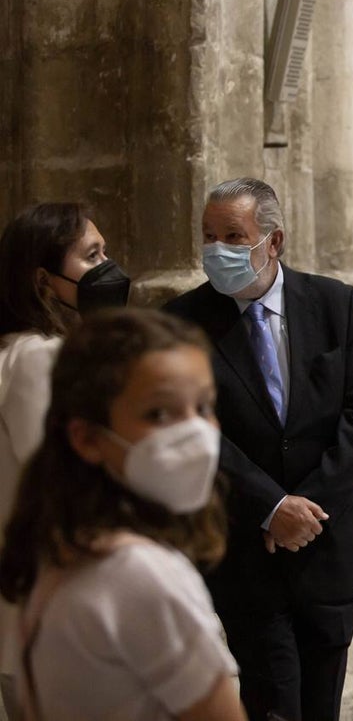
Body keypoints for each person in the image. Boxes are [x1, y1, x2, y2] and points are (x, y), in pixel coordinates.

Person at [165, 178, 353, 721]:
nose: (218, 250)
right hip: (247, 553)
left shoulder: (334, 304)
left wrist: (305, 509)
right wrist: (271, 507)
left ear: (274, 241)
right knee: (273, 704)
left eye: (234, 236)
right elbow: (196, 429)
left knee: (322, 707)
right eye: (209, 236)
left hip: (327, 546)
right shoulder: (182, 321)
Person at [0, 308, 244, 721]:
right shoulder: (143, 577)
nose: (196, 434)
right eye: (159, 414)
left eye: (204, 407)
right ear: (88, 438)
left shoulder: (62, 554)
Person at [0, 203, 131, 715]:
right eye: (91, 254)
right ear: (42, 280)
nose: (107, 265)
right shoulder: (37, 357)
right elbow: (59, 483)